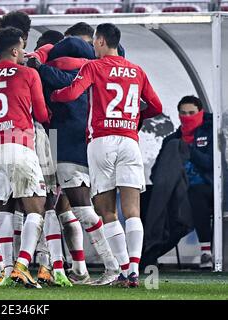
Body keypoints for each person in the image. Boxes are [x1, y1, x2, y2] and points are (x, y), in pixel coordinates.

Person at [51, 23, 163, 288]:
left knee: (106, 210)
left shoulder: (93, 67)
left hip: (102, 141)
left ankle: (123, 269)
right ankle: (134, 271)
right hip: (129, 140)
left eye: (94, 42)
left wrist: (54, 95)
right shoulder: (136, 70)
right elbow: (156, 106)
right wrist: (135, 118)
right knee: (133, 211)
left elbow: (72, 93)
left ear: (100, 41)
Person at [27, 31, 120, 286]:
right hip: (85, 145)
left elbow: (45, 109)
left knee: (79, 211)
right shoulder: (95, 73)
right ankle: (73, 270)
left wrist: (40, 66)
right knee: (58, 210)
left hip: (60, 145)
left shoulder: (47, 74)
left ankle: (114, 266)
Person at [0, 27, 49, 289]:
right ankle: (22, 266)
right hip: (21, 146)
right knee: (36, 209)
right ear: (16, 50)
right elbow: (41, 113)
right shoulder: (28, 73)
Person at [151, 95, 214, 269]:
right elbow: (156, 172)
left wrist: (189, 150)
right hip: (177, 189)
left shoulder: (211, 132)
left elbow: (211, 164)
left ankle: (206, 252)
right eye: (183, 113)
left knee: (196, 193)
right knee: (148, 197)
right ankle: (147, 253)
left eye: (191, 113)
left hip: (206, 187)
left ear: (200, 112)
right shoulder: (171, 140)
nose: (187, 117)